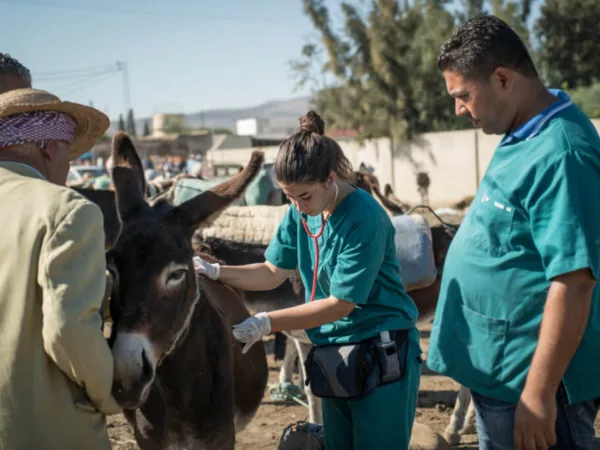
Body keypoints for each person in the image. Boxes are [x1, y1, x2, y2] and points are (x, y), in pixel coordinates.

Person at [194, 111, 422, 450]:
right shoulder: (301, 212)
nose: (297, 207)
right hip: (334, 354)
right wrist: (217, 272)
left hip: (381, 354)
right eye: (289, 197)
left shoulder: (365, 218)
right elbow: (271, 272)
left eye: (304, 196)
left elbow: (340, 304)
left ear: (330, 179)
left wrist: (266, 322)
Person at [426, 15, 600, 450]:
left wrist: (539, 396)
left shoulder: (563, 152)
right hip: (501, 369)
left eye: (463, 96)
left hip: (534, 381)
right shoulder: (523, 128)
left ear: (503, 79)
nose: (458, 110)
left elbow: (574, 282)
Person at [0, 88, 121, 450]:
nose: (69, 167)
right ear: (49, 147)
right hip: (42, 431)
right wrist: (109, 394)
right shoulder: (67, 210)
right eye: (70, 151)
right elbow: (69, 331)